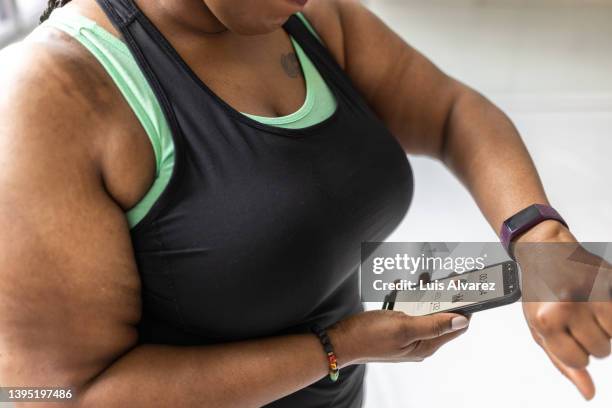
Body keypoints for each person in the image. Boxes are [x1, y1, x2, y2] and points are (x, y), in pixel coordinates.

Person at [0, 0, 609, 406]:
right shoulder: (51, 97)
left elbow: (451, 112)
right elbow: (60, 397)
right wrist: (333, 350)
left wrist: (539, 239)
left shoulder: (308, 18)